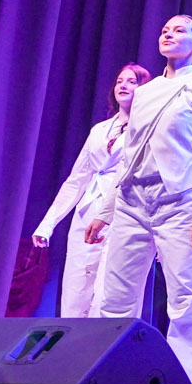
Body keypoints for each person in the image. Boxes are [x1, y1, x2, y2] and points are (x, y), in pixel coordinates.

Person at [85, 15, 192, 384]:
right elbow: (129, 155)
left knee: (184, 305)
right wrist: (106, 210)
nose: (169, 33)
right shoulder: (143, 93)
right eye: (165, 29)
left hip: (178, 204)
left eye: (180, 30)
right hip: (132, 202)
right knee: (114, 303)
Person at [31, 63, 152, 316]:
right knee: (76, 288)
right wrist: (48, 224)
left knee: (110, 293)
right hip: (88, 211)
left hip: (125, 211)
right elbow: (77, 179)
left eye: (132, 81)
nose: (123, 86)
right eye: (120, 81)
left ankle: (108, 341)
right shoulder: (99, 130)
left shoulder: (149, 129)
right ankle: (75, 340)